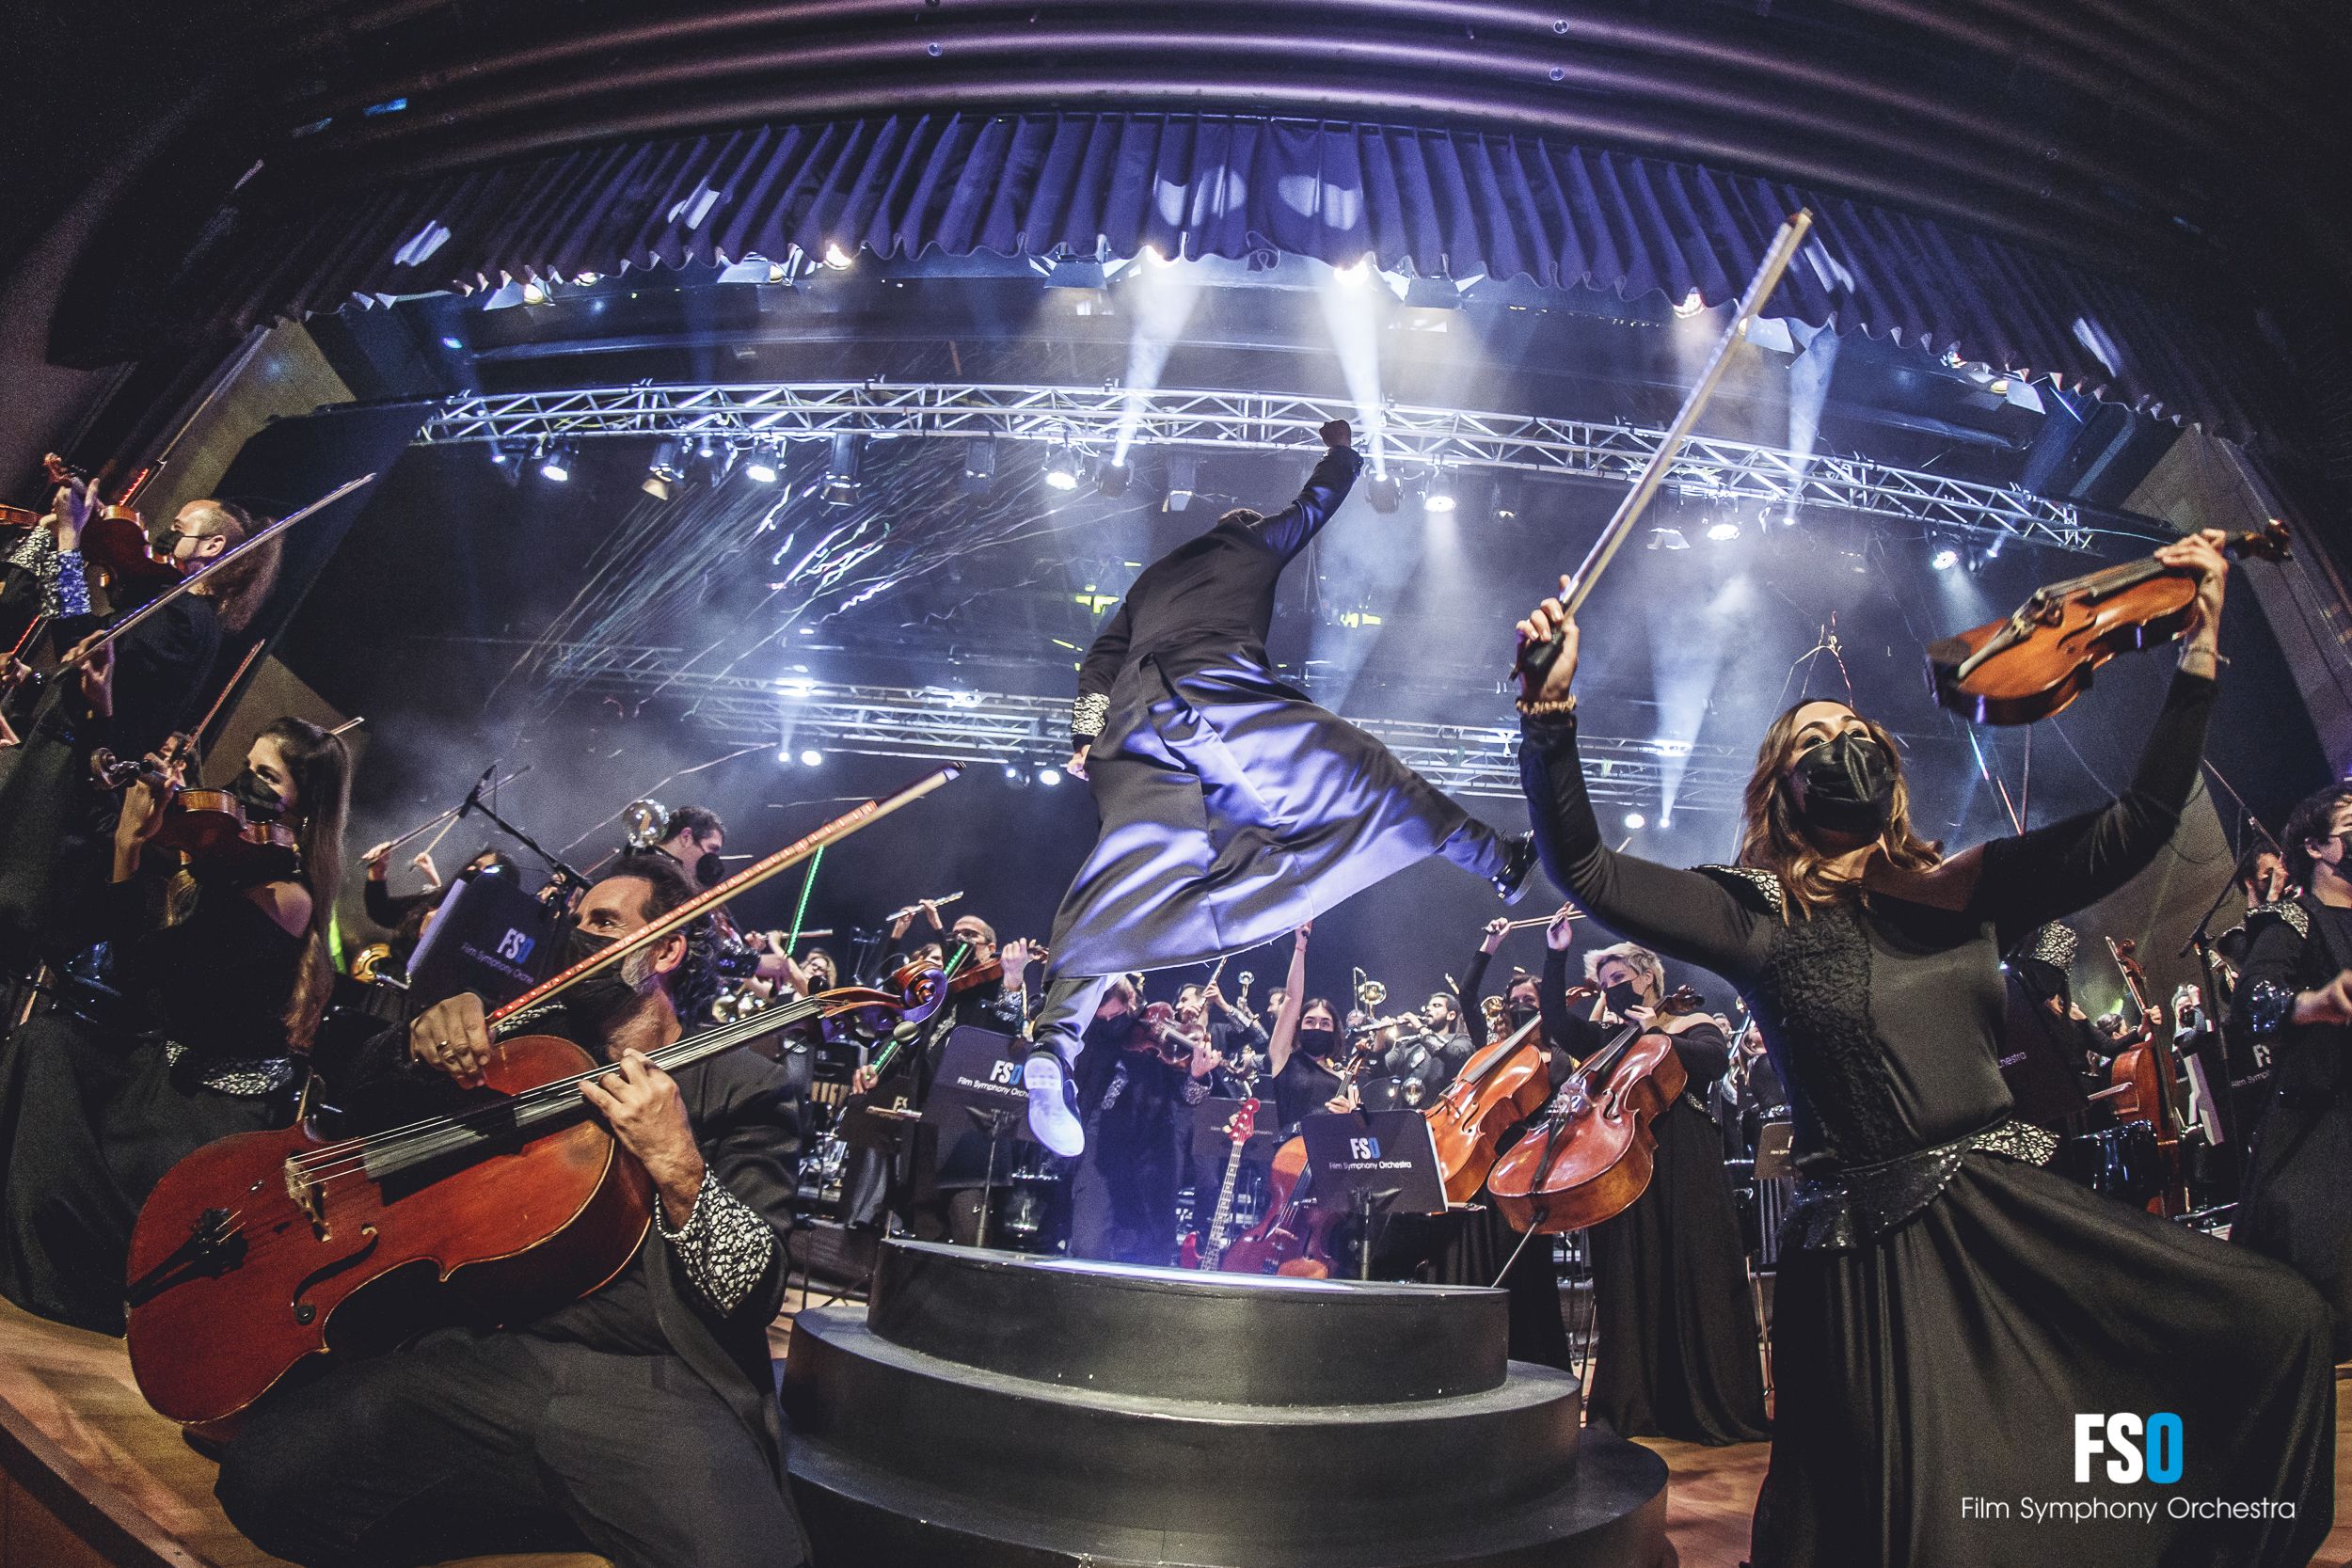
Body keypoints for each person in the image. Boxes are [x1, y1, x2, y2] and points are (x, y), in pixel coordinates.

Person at [1512, 533, 2332, 1568]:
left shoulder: (1961, 884)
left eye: (1853, 729)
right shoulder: (1750, 912)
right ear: (1781, 785)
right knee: (1928, 1530)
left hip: (2002, 1215)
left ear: (1888, 768)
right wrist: (1548, 718)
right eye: (1814, 737)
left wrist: (2199, 650)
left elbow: (2140, 820)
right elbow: (1581, 861)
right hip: (1869, 1258)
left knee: (2277, 1320)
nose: (1838, 743)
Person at [214, 855, 808, 1568]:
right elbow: (366, 1103)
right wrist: (414, 1044)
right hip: (492, 1354)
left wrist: (679, 1162)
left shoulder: (743, 1082)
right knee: (265, 1477)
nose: (580, 936)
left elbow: (752, 1287)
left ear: (667, 949)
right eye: (579, 922)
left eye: (606, 923)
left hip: (648, 1381)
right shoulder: (530, 1042)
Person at [1022, 420, 1536, 1155]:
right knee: (1364, 773)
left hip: (1133, 729)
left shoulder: (1147, 581)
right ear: (1239, 526)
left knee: (1123, 874)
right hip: (1215, 688)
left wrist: (1084, 736)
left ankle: (1053, 1049)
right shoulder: (1246, 541)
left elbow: (1096, 666)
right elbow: (1314, 506)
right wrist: (1345, 451)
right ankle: (1498, 861)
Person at [0, 717, 349, 1332]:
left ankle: (77, 1283)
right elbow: (116, 962)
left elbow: (156, 975)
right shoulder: (224, 863)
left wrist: (132, 848)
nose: (244, 784)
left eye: (268, 777)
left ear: (305, 809)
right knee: (44, 1042)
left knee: (85, 1106)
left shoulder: (288, 897)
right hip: (161, 1071)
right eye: (246, 765)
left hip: (207, 1110)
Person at [0, 496, 281, 965]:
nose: (158, 538)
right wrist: (35, 680)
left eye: (175, 526)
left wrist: (70, 542)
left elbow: (79, 649)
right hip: (50, 770)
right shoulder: (175, 611)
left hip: (54, 787)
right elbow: (100, 692)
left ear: (212, 545)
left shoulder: (182, 619)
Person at [1574, 941, 1769, 1446]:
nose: (1611, 989)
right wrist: (1558, 957)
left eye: (1618, 977)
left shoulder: (1687, 1022)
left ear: (1646, 977)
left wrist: (1656, 1030)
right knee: (1632, 1272)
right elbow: (1559, 1024)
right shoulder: (1611, 1037)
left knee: (1693, 1266)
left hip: (1686, 1157)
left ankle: (1702, 1400)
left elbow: (1712, 1063)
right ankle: (1637, 1401)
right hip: (1628, 1156)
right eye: (1604, 982)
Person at [2232, 783, 2352, 1355]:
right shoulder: (2294, 920)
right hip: (2326, 1125)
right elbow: (2252, 1003)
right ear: (2315, 847)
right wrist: (2318, 1003)